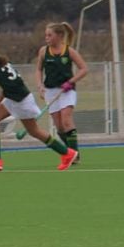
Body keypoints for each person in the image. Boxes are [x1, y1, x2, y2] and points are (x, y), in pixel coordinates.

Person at [0, 40, 77, 172]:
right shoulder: (1, 61)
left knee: (34, 131)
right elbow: (5, 89)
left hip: (19, 101)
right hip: (18, 98)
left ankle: (66, 153)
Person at [34, 22, 88, 162]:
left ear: (59, 36)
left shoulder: (69, 51)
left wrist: (70, 82)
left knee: (66, 120)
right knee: (59, 126)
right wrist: (40, 85)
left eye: (50, 35)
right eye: (46, 35)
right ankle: (69, 152)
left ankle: (75, 155)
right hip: (50, 91)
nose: (47, 38)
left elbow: (84, 69)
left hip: (67, 90)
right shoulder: (43, 51)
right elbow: (39, 69)